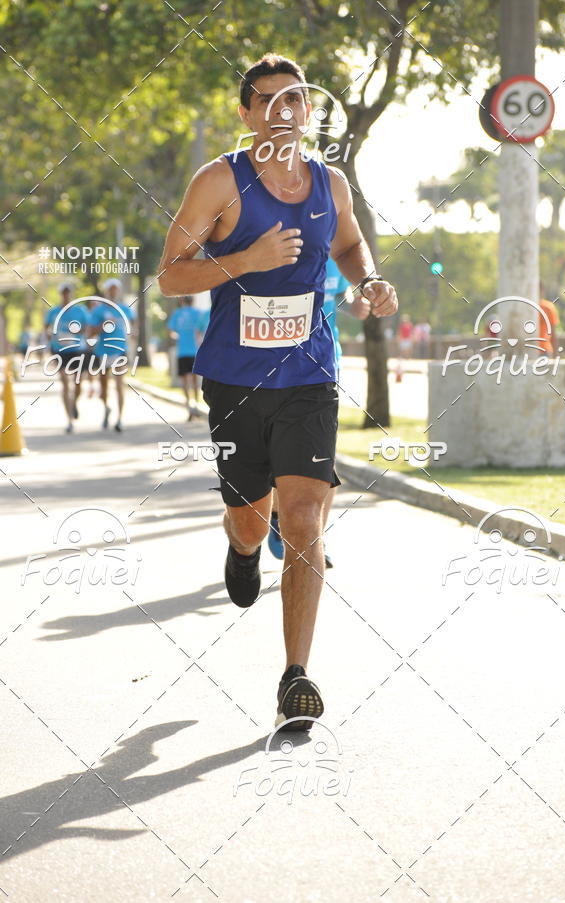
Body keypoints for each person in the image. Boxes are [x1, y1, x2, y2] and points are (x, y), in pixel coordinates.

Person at [158, 54, 398, 730]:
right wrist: (246, 260)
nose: (285, 113)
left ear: (309, 111)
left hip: (311, 376)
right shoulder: (218, 183)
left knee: (302, 523)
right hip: (236, 379)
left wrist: (368, 281)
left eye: (297, 100)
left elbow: (351, 247)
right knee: (252, 515)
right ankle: (239, 546)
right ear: (246, 112)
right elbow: (171, 277)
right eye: (270, 100)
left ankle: (296, 675)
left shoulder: (332, 184)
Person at [268, 257, 370, 567]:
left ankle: (315, 541)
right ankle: (275, 512)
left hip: (324, 364)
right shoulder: (287, 251)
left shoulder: (336, 257)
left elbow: (345, 294)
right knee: (276, 451)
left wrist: (356, 304)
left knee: (325, 459)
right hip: (276, 362)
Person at [90, 278, 136, 432]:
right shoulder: (98, 311)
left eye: (116, 289)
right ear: (106, 291)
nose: (113, 291)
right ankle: (106, 408)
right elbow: (90, 332)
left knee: (119, 385)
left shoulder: (125, 309)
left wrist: (133, 335)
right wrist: (103, 326)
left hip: (120, 350)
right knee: (103, 388)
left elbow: (133, 326)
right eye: (111, 289)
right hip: (102, 351)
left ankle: (120, 419)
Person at [44, 281, 89, 433]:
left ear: (71, 294)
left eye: (68, 292)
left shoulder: (80, 310)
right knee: (64, 383)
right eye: (64, 292)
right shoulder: (53, 312)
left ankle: (74, 403)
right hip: (60, 350)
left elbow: (87, 328)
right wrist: (49, 335)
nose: (66, 295)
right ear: (60, 294)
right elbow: (46, 328)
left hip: (77, 349)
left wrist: (76, 330)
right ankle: (69, 419)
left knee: (78, 384)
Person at [167, 296, 207, 420]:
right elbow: (203, 330)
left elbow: (170, 331)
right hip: (196, 351)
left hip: (183, 351)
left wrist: (178, 336)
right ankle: (195, 405)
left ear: (181, 301)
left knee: (185, 382)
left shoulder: (178, 313)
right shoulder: (199, 313)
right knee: (195, 382)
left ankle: (190, 407)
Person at [539, 284, 560, 356]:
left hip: (543, 350)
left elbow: (553, 333)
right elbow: (553, 333)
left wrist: (556, 354)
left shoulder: (548, 307)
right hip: (541, 350)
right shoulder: (548, 307)